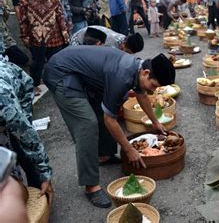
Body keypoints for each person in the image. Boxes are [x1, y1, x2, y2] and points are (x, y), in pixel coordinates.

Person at [43, 47, 175, 208]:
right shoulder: (121, 76)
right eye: (153, 85)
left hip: (80, 73)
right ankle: (91, 186)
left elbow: (141, 94)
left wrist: (155, 122)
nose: (153, 90)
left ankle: (104, 155)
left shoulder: (137, 69)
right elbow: (110, 120)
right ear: (146, 73)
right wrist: (129, 149)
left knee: (103, 108)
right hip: (61, 72)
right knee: (87, 125)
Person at [0, 55, 54, 207]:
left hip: (19, 88)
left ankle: (39, 188)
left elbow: (28, 137)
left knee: (21, 145)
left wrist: (45, 175)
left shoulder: (5, 104)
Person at [18, 0, 69, 96]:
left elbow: (61, 18)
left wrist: (65, 33)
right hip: (36, 40)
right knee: (37, 64)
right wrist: (25, 37)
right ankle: (34, 85)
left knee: (56, 62)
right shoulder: (25, 0)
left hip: (55, 38)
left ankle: (58, 84)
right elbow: (23, 21)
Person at [70, 26, 144, 53]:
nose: (127, 54)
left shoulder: (124, 39)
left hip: (90, 39)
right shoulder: (109, 43)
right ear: (124, 44)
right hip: (78, 41)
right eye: (127, 51)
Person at [0, 0, 29, 67]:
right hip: (3, 45)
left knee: (23, 59)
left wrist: (3, 7)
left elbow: (5, 17)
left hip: (7, 42)